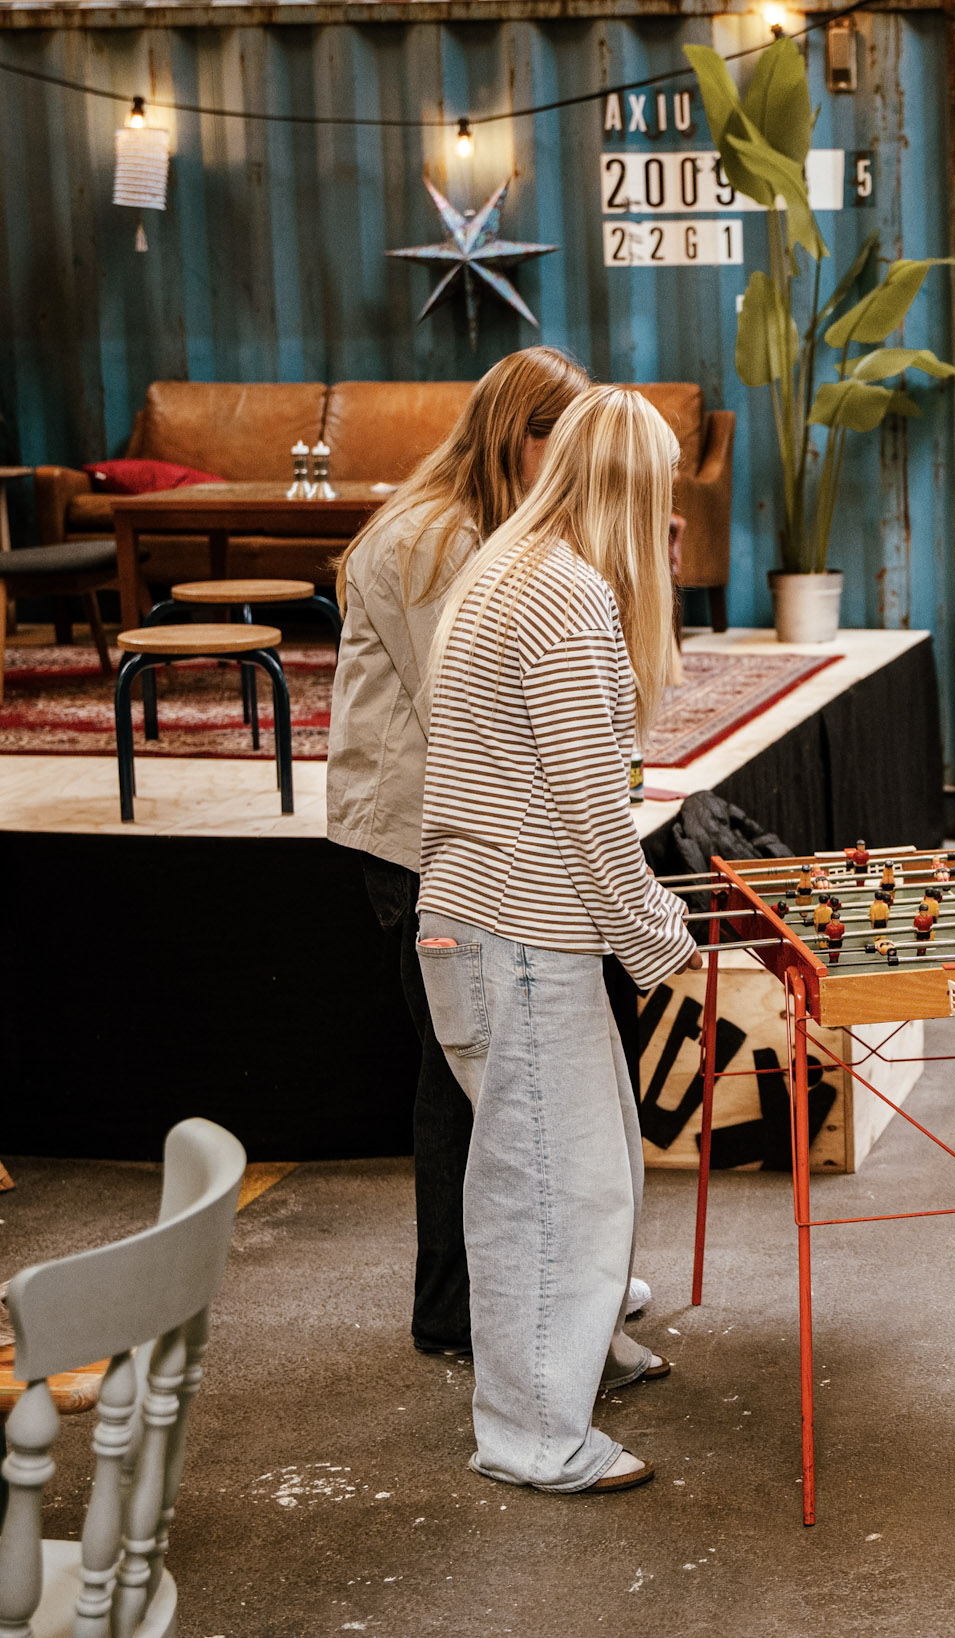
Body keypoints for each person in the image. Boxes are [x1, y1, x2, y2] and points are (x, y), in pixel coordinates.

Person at [416, 385, 699, 1494]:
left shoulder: (511, 564)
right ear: (633, 486)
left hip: (491, 927)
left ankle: (581, 1352)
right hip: (518, 936)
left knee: (587, 1167)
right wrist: (659, 934)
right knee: (551, 1194)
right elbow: (592, 809)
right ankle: (532, 1434)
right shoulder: (568, 596)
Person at [326, 345, 592, 1359]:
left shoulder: (493, 525)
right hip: (417, 840)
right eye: (562, 443)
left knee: (477, 1071)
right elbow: (474, 707)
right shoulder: (432, 540)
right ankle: (455, 1307)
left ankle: (507, 1288)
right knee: (460, 1074)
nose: (573, 466)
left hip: (461, 833)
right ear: (518, 436)